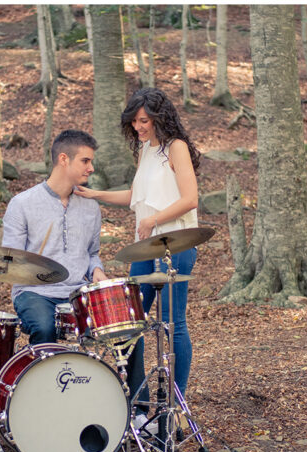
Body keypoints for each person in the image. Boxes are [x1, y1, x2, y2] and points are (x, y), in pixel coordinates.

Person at [75, 88, 200, 430]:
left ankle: (175, 409)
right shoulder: (147, 149)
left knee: (174, 324)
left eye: (144, 121)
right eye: (134, 122)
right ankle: (140, 405)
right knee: (129, 323)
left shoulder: (176, 147)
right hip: (146, 248)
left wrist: (153, 219)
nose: (139, 127)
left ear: (160, 117)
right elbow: (138, 196)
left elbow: (189, 198)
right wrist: (96, 195)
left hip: (176, 244)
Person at [1, 129, 108, 344]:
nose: (91, 168)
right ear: (64, 159)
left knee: (126, 331)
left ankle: (130, 380)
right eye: (85, 161)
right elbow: (10, 259)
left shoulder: (91, 206)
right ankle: (41, 376)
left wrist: (96, 270)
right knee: (44, 327)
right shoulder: (22, 204)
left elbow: (92, 253)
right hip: (35, 292)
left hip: (78, 293)